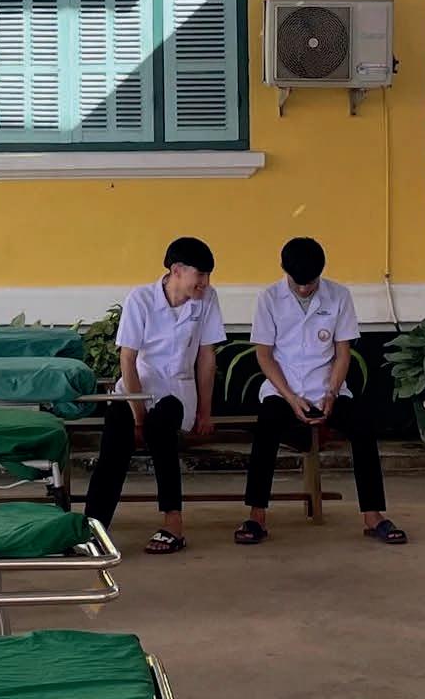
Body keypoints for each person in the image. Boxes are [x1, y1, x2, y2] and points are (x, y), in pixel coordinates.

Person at [238, 236, 407, 547]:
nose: (305, 289)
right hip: (282, 389)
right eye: (298, 283)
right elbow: (264, 355)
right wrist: (291, 397)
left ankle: (373, 516)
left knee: (363, 427)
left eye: (311, 282)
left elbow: (343, 353)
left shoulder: (339, 296)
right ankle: (256, 516)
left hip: (327, 387)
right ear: (285, 271)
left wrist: (331, 393)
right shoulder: (269, 298)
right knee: (266, 428)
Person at [86, 236, 225, 555]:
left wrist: (205, 412)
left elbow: (206, 357)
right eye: (200, 275)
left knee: (161, 427)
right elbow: (128, 359)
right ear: (177, 270)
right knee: (115, 437)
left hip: (177, 390)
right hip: (137, 385)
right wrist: (137, 416)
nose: (205, 283)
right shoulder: (141, 299)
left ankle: (173, 523)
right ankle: (94, 526)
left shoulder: (207, 299)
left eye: (208, 276)